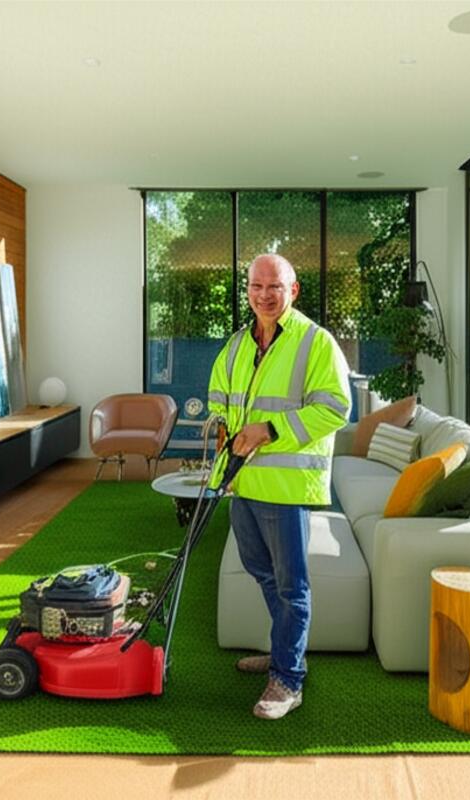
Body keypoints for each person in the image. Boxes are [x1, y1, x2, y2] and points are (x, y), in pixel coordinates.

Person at [206, 253, 352, 720]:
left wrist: (269, 430)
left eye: (275, 287)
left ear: (294, 290)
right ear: (247, 291)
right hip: (243, 481)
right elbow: (218, 400)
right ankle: (286, 647)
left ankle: (288, 679)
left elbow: (335, 408)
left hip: (287, 490)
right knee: (260, 569)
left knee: (292, 586)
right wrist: (220, 426)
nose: (264, 295)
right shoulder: (234, 345)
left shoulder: (316, 343)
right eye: (255, 286)